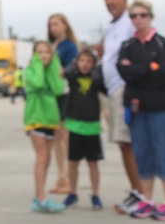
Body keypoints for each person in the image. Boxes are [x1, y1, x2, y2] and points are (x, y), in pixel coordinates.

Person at [117, 0, 165, 221]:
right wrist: (148, 69)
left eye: (142, 15)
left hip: (163, 108)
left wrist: (137, 70)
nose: (138, 19)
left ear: (151, 17)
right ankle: (147, 200)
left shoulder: (164, 45)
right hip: (136, 109)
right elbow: (124, 73)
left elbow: (164, 74)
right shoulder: (127, 46)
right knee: (142, 153)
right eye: (134, 16)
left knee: (163, 151)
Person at [97, 0, 144, 215]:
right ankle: (137, 191)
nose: (109, 2)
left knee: (128, 143)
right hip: (113, 91)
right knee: (124, 143)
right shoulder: (113, 25)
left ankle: (140, 193)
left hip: (124, 89)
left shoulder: (128, 23)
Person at [23, 41, 66, 213]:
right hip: (36, 118)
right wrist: (38, 65)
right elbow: (38, 83)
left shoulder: (52, 70)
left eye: (47, 52)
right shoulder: (31, 71)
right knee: (42, 157)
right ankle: (40, 198)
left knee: (47, 158)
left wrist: (54, 68)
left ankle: (39, 196)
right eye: (40, 52)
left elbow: (58, 89)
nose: (44, 56)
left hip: (51, 119)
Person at [62, 49, 106, 210]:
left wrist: (96, 69)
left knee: (93, 163)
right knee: (73, 162)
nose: (85, 64)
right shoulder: (74, 77)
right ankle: (72, 193)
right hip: (75, 125)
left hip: (92, 126)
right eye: (82, 61)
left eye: (89, 61)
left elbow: (99, 82)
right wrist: (74, 62)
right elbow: (66, 72)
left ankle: (95, 194)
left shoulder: (96, 79)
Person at [46, 13, 79, 195]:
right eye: (51, 25)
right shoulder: (52, 46)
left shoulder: (70, 47)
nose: (53, 28)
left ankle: (66, 178)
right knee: (56, 139)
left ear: (65, 25)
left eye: (56, 24)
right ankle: (60, 176)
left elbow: (70, 69)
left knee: (63, 139)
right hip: (52, 95)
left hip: (65, 94)